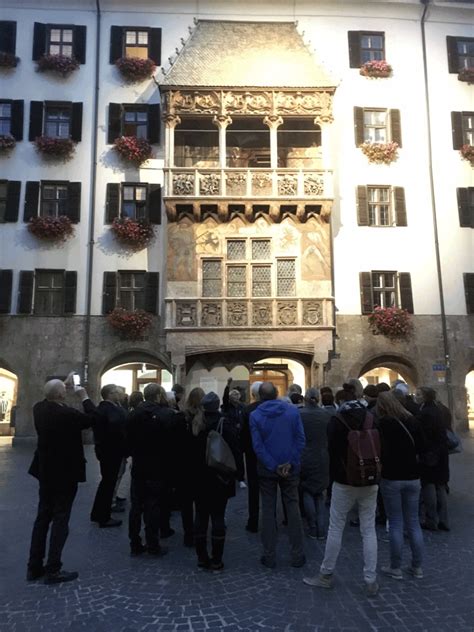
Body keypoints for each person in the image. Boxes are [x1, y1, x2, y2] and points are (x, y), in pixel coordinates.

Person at [303, 383, 379, 596]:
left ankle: (326, 574)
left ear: (341, 402)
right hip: (370, 479)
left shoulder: (336, 420)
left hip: (344, 480)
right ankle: (370, 579)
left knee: (336, 527)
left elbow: (331, 450)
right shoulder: (371, 417)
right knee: (368, 529)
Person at [27, 376, 96, 584]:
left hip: (46, 471)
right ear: (60, 395)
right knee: (60, 518)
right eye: (63, 391)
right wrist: (84, 397)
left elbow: (48, 397)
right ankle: (53, 569)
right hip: (65, 473)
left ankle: (34, 566)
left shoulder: (38, 409)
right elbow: (93, 418)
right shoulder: (67, 414)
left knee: (42, 518)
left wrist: (60, 386)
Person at [250, 382, 306, 569]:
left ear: (259, 396)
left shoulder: (255, 415)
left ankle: (269, 554)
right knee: (292, 508)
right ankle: (297, 554)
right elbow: (300, 439)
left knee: (268, 509)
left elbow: (258, 447)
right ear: (276, 394)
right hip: (289, 468)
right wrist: (290, 462)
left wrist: (273, 466)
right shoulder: (292, 412)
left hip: (268, 469)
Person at [126, 384, 181, 556]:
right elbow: (173, 443)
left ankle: (134, 542)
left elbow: (127, 440)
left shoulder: (132, 414)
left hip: (139, 466)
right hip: (158, 467)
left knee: (136, 506)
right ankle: (152, 544)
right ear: (158, 396)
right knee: (153, 505)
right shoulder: (166, 415)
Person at [376, 391, 425, 580]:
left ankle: (395, 567)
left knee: (396, 522)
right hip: (413, 476)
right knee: (413, 522)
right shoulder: (412, 421)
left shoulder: (384, 424)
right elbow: (422, 447)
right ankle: (417, 566)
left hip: (392, 477)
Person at [192, 392, 239, 571]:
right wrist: (237, 474)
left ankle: (201, 557)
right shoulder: (224, 422)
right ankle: (217, 558)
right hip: (220, 477)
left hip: (198, 477)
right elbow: (234, 448)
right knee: (218, 516)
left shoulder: (195, 423)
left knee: (201, 516)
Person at [90, 384, 128, 528]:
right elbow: (115, 426)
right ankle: (103, 516)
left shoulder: (110, 408)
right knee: (108, 483)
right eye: (117, 392)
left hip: (108, 450)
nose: (120, 394)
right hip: (111, 451)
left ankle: (98, 513)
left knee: (107, 483)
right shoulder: (108, 409)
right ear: (110, 394)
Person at [416, 387, 450, 531]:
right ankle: (444, 520)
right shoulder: (439, 410)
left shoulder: (425, 413)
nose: (415, 397)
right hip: (442, 453)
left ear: (424, 397)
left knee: (429, 486)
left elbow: (423, 436)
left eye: (418, 394)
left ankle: (432, 520)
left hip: (430, 454)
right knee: (441, 486)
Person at [299, 388, 330, 540]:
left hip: (305, 456)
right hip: (323, 456)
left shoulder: (300, 415)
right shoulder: (326, 415)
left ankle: (312, 526)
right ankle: (322, 528)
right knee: (320, 494)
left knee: (307, 491)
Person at [179, 387, 206, 547]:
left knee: (186, 504)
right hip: (201, 466)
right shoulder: (205, 419)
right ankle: (200, 532)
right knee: (201, 503)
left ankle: (188, 534)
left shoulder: (181, 417)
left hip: (185, 466)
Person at [241, 381, 263, 533]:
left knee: (254, 489)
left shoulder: (248, 410)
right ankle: (270, 519)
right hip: (270, 453)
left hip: (252, 453)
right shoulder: (275, 409)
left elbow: (243, 434)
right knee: (269, 488)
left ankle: (253, 521)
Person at [222, 377, 246, 488]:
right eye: (233, 396)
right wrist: (228, 385)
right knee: (229, 457)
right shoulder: (227, 407)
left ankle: (240, 478)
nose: (235, 397)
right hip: (229, 437)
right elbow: (224, 397)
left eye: (237, 395)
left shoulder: (242, 407)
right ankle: (230, 477)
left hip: (240, 437)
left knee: (239, 458)